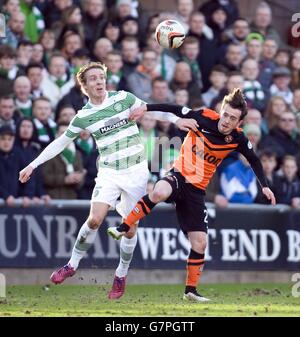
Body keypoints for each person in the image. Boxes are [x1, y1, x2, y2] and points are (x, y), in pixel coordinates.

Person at [19, 61, 197, 299]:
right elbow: (60, 142)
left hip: (136, 172)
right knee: (94, 219)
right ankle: (72, 264)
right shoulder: (84, 116)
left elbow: (152, 109)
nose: (99, 81)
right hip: (109, 172)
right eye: (92, 78)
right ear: (85, 86)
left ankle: (120, 275)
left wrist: (176, 120)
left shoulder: (123, 98)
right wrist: (32, 164)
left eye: (101, 77)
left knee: (130, 228)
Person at [107, 88, 276, 302]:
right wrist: (145, 108)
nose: (226, 120)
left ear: (239, 122)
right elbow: (174, 109)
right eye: (225, 114)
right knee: (158, 191)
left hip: (197, 190)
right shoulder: (203, 116)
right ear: (221, 111)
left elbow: (254, 160)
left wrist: (265, 186)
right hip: (179, 175)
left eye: (232, 118)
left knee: (200, 243)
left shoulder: (239, 139)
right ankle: (123, 226)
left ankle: (190, 291)